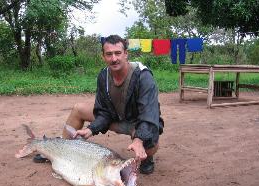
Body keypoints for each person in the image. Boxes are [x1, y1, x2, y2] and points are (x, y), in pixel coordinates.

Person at [34, 35, 164, 174]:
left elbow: (149, 115)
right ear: (103, 56)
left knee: (150, 144)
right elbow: (103, 111)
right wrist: (91, 129)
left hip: (137, 123)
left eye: (118, 53)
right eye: (109, 54)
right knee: (79, 109)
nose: (114, 59)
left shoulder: (143, 77)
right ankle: (60, 148)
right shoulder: (103, 76)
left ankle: (147, 157)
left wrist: (139, 139)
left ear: (126, 54)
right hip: (115, 118)